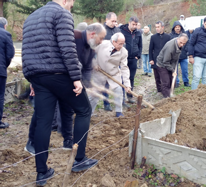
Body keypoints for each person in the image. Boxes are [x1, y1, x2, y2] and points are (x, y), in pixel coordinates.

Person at [22, 0, 106, 185]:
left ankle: (42, 172)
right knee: (84, 110)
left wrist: (32, 80)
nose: (72, 5)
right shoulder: (62, 14)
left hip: (37, 76)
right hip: (58, 74)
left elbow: (26, 50)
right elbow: (67, 49)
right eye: (72, 2)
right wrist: (76, 79)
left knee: (43, 121)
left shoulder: (30, 18)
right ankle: (80, 159)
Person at [89, 33, 131, 117]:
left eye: (123, 43)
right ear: (114, 42)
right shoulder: (102, 44)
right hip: (100, 73)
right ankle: (88, 113)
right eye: (120, 44)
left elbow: (124, 68)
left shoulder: (124, 52)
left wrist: (127, 84)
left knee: (118, 90)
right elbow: (90, 52)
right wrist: (94, 63)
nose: (122, 46)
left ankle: (119, 112)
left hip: (113, 74)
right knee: (95, 94)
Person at [120, 16, 142, 104]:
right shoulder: (122, 31)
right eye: (133, 24)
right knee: (122, 78)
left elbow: (140, 45)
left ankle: (130, 96)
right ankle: (122, 98)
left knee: (131, 78)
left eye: (136, 24)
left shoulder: (138, 33)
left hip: (133, 59)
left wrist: (138, 55)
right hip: (123, 59)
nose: (134, 26)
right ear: (129, 23)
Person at [102, 12, 121, 111]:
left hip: (116, 60)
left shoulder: (117, 30)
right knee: (105, 83)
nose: (114, 23)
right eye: (112, 21)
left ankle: (120, 101)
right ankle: (106, 103)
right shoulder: (101, 30)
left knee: (118, 81)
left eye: (115, 21)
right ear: (106, 20)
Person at [0, 17, 15, 129]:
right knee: (0, 96)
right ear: (5, 26)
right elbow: (10, 54)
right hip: (0, 70)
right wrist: (4, 65)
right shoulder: (6, 34)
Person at [149, 21, 171, 94]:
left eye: (158, 27)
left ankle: (166, 89)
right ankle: (159, 90)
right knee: (157, 76)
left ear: (162, 27)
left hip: (165, 59)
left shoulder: (168, 37)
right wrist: (151, 59)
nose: (157, 29)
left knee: (165, 76)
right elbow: (150, 49)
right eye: (156, 27)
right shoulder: (153, 37)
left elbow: (170, 49)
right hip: (155, 59)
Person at [170, 21, 190, 87]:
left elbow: (188, 44)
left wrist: (186, 50)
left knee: (185, 70)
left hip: (183, 56)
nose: (177, 28)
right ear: (174, 28)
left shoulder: (185, 35)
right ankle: (176, 82)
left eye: (179, 27)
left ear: (181, 27)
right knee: (175, 71)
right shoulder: (171, 36)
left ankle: (186, 82)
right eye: (176, 27)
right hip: (175, 56)